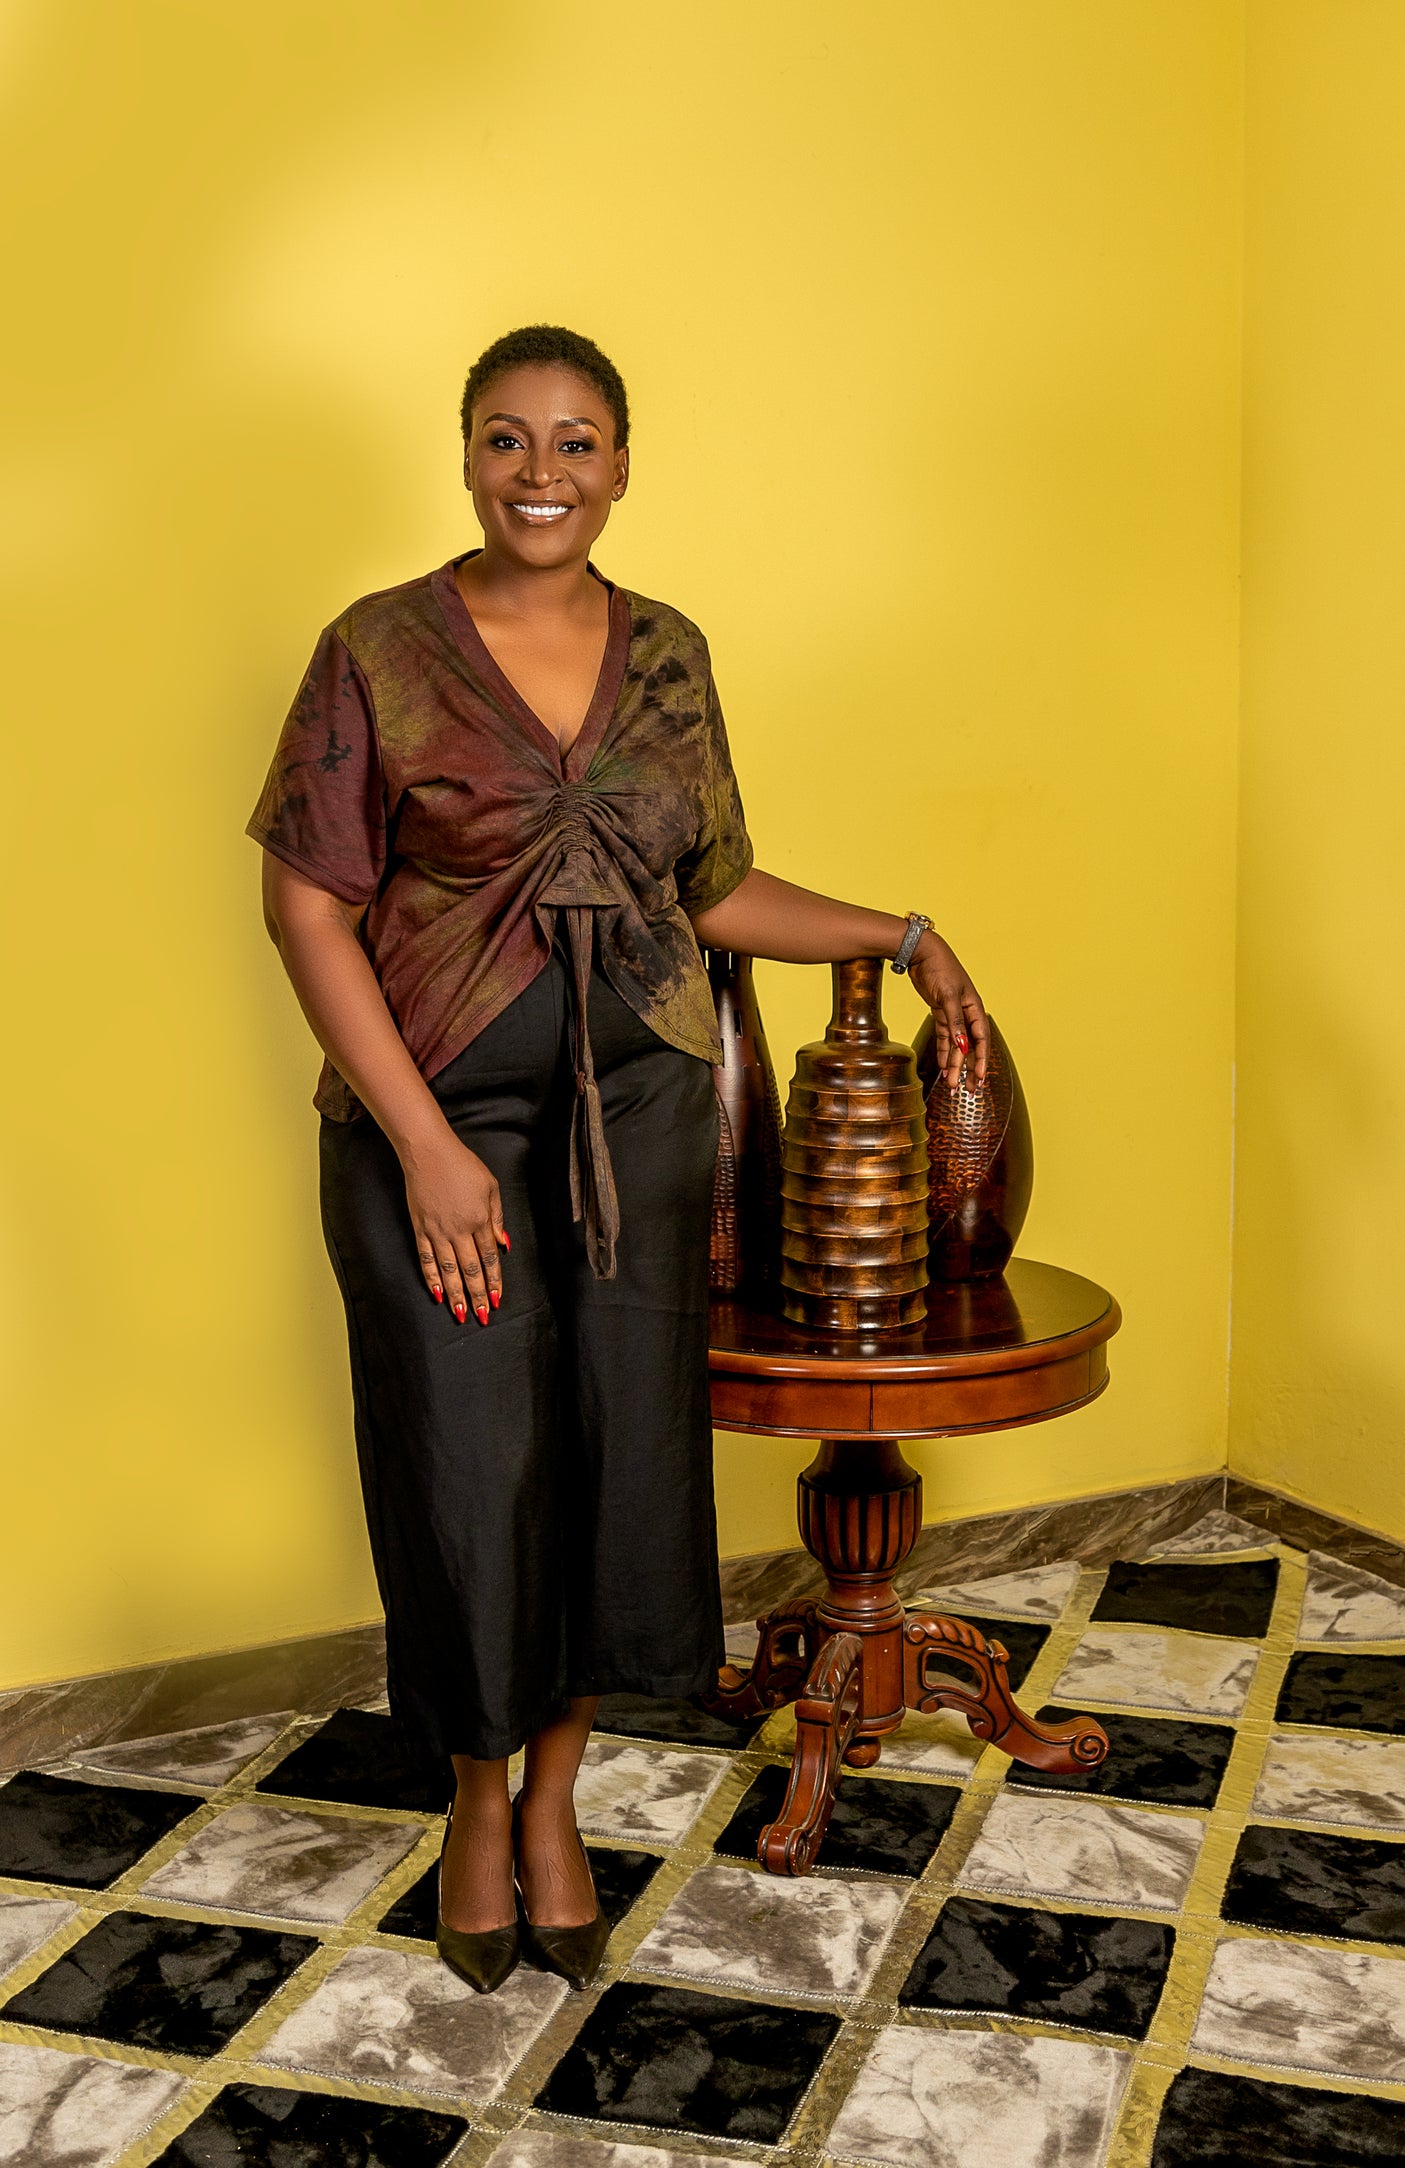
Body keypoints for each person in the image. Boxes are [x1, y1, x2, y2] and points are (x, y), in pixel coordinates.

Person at [250, 324, 989, 1994]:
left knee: (609, 1460)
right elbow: (305, 905)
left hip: (639, 1124)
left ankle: (556, 1804)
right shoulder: (378, 648)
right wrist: (425, 1147)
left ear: (622, 466)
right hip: (433, 1128)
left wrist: (904, 933)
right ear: (464, 459)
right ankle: (474, 1800)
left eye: (574, 441)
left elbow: (709, 889)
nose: (540, 473)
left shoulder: (668, 654)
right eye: (505, 439)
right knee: (465, 1470)